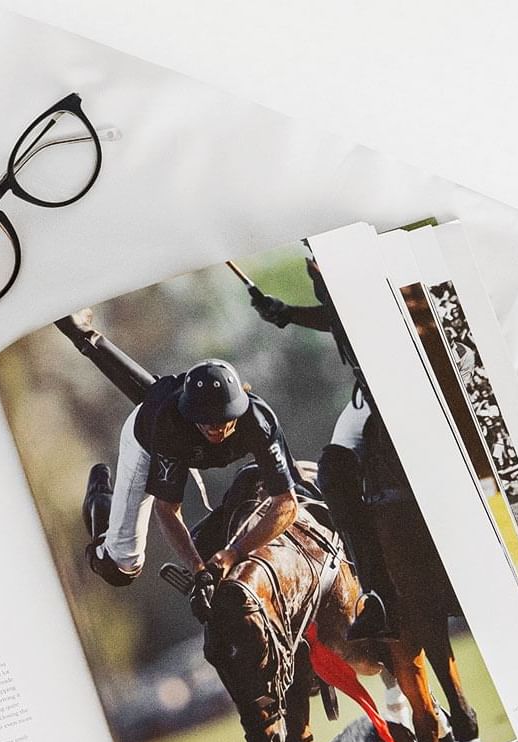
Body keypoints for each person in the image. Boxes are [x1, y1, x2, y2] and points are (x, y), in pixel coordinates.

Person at [249, 261, 393, 640]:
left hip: (406, 382)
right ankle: (377, 596)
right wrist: (289, 313)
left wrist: (292, 314)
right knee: (331, 469)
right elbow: (337, 316)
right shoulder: (318, 259)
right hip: (366, 398)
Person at [87, 359, 305, 598]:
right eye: (203, 420)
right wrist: (198, 569)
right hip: (146, 441)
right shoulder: (171, 425)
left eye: (222, 419)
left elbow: (286, 504)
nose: (213, 428)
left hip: (187, 441)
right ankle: (101, 504)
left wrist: (234, 552)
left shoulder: (259, 420)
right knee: (121, 566)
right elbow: (167, 509)